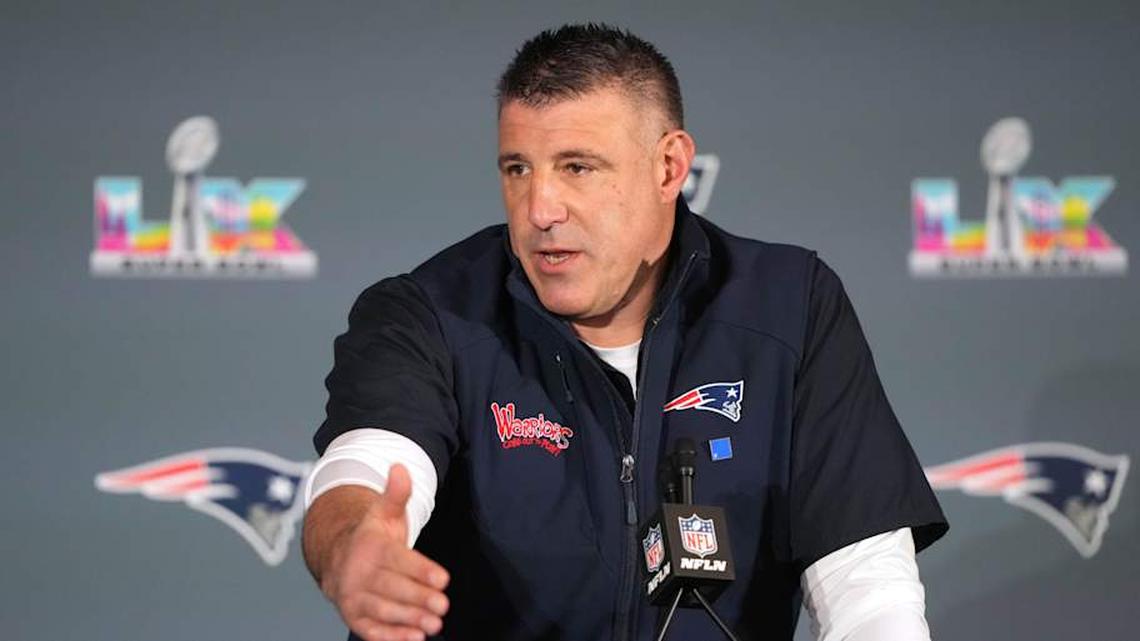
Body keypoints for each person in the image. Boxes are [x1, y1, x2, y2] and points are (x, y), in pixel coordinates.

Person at [302, 23, 948, 641]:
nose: (540, 210)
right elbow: (369, 462)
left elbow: (863, 571)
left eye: (577, 167)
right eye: (517, 168)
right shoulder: (430, 310)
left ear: (669, 166)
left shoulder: (789, 304)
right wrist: (354, 546)